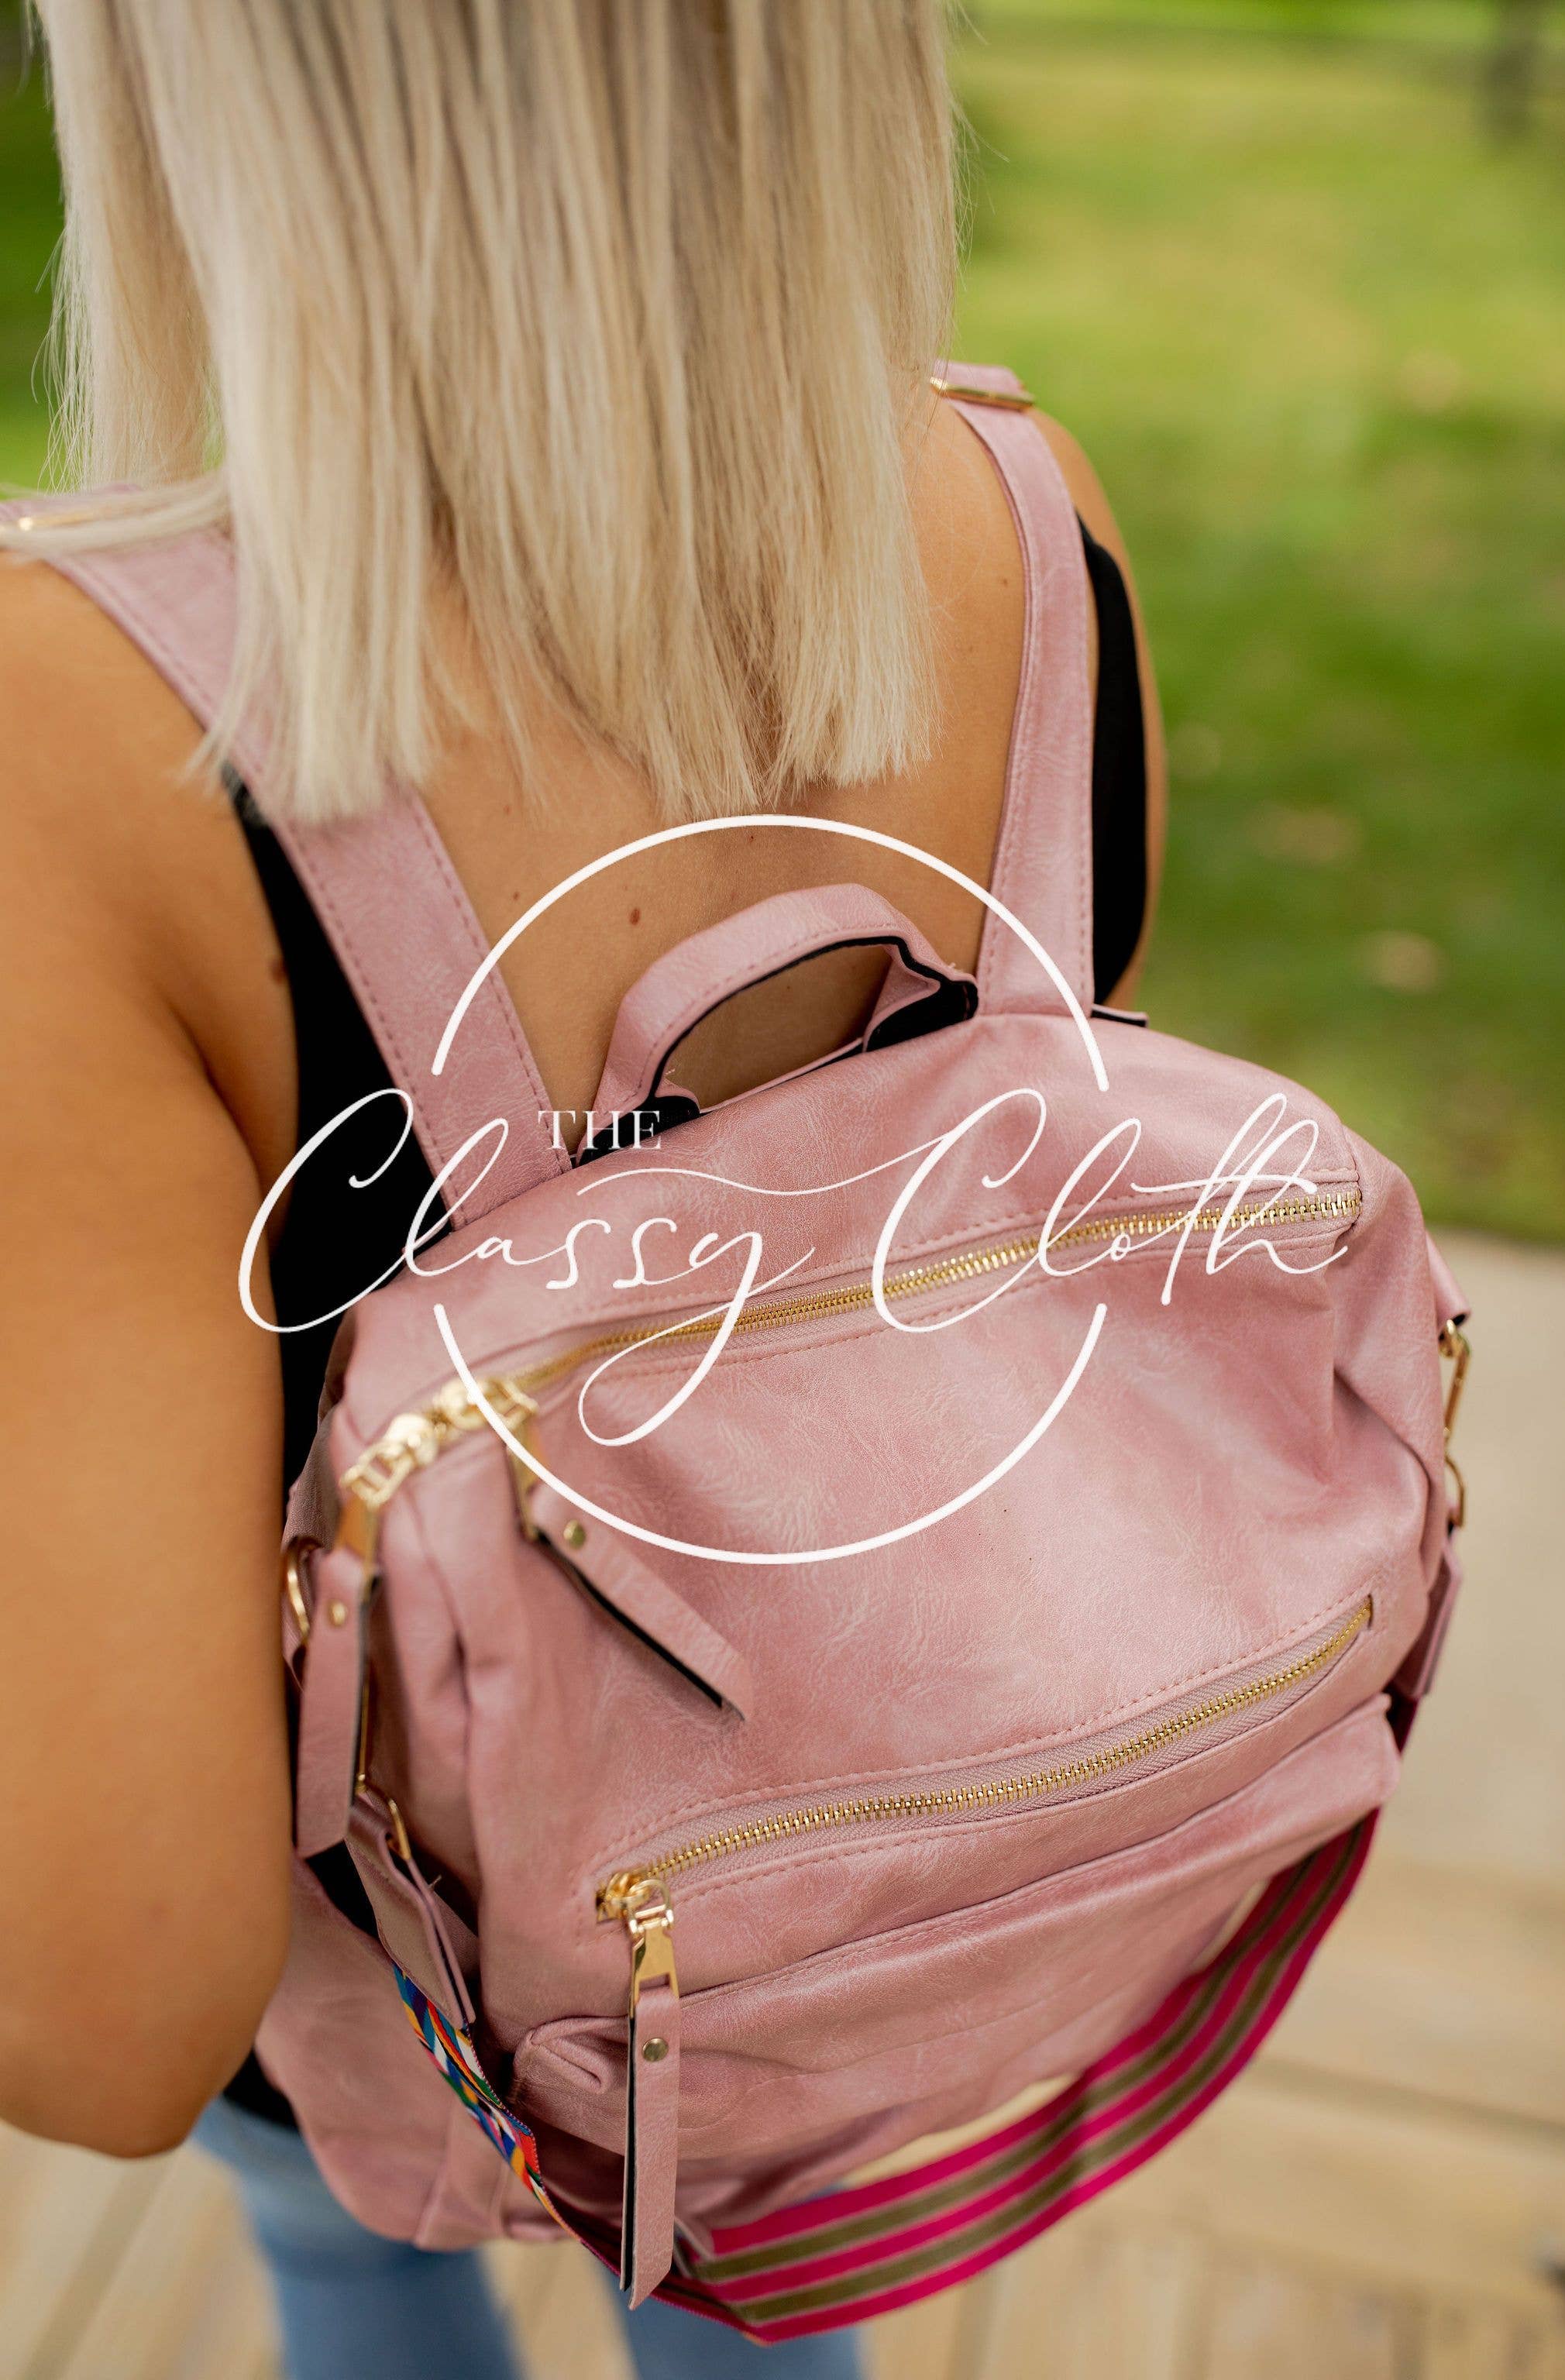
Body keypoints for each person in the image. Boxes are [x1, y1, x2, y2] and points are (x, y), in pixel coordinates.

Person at [0, 6, 1164, 2376]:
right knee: (767, 2275)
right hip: (861, 1841)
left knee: (355, 2248)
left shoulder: (86, 734)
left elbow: (112, 2008)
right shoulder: (1030, 521)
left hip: (402, 1964)